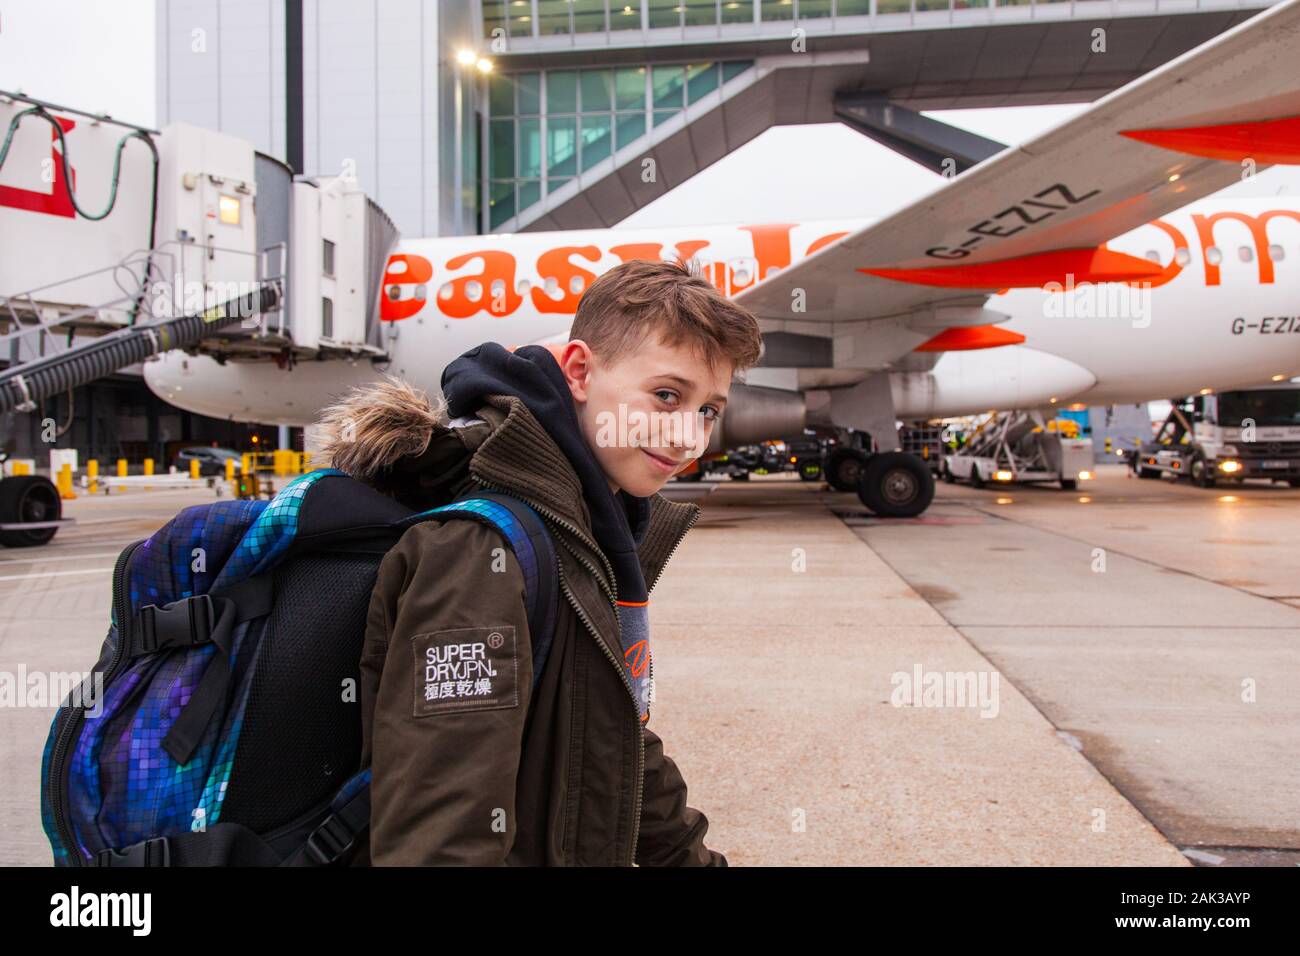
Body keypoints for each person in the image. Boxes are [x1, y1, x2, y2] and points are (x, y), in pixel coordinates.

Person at [353, 257, 763, 865]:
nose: (687, 438)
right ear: (578, 371)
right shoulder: (483, 548)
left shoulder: (588, 526)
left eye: (708, 410)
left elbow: (609, 735)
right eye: (667, 395)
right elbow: (440, 831)